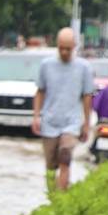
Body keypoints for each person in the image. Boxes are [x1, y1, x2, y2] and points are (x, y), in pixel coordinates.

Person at [31, 28, 94, 196]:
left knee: (65, 158)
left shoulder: (84, 67)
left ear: (74, 46)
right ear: (57, 46)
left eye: (68, 48)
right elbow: (40, 92)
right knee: (51, 167)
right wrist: (36, 116)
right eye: (61, 48)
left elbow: (87, 96)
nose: (65, 52)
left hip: (71, 123)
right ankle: (53, 199)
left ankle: (62, 198)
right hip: (49, 122)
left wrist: (86, 124)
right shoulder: (46, 65)